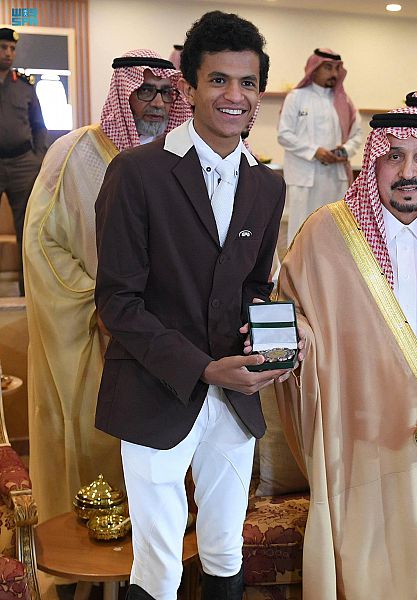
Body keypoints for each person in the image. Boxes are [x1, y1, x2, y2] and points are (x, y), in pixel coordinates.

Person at [94, 12, 293, 600]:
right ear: (189, 86)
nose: (235, 96)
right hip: (155, 391)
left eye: (248, 83)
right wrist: (203, 368)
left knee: (226, 550)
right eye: (218, 80)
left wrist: (267, 343)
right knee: (158, 565)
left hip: (235, 398)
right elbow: (118, 302)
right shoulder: (136, 173)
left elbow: (255, 284)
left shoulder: (268, 185)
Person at [275, 107, 417, 599]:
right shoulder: (325, 234)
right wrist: (292, 337)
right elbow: (291, 317)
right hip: (360, 444)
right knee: (370, 574)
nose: (409, 172)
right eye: (395, 157)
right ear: (374, 161)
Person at [23, 49, 189, 526]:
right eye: (145, 91)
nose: (157, 103)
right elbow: (41, 241)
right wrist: (96, 304)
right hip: (94, 327)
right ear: (122, 93)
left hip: (165, 334)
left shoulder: (182, 159)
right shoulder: (73, 153)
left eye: (166, 93)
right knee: (92, 433)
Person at [277, 48, 362, 240]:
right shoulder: (296, 97)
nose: (334, 73)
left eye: (336, 68)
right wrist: (315, 151)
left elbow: (357, 134)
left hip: (335, 177)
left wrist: (345, 150)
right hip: (304, 177)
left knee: (334, 231)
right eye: (328, 68)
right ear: (314, 69)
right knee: (301, 231)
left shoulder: (344, 101)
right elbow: (284, 134)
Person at [0, 27, 47, 294]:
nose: (8, 53)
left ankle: (26, 293)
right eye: (3, 47)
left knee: (27, 230)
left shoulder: (25, 85)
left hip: (22, 164)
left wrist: (37, 158)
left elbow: (39, 125)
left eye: (12, 48)